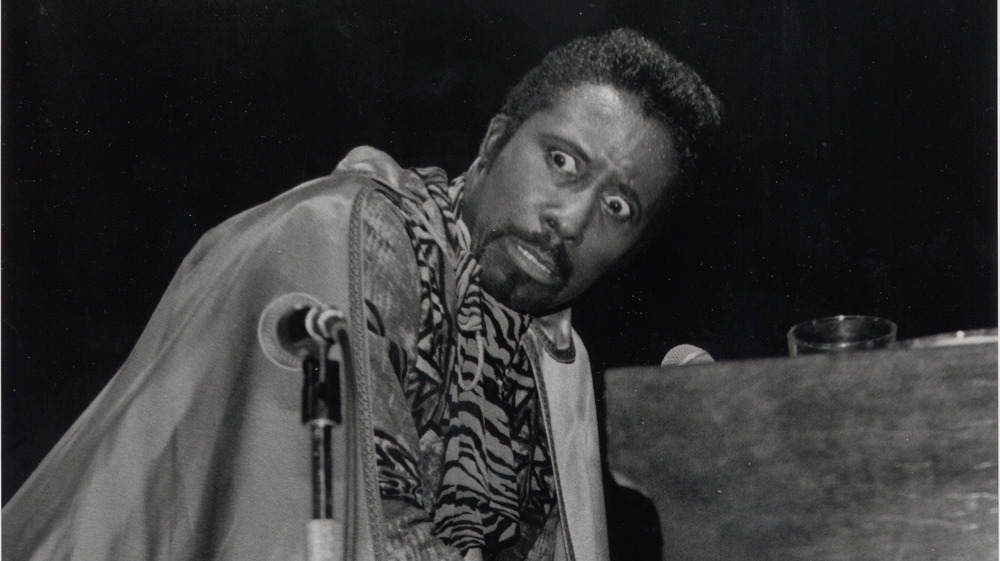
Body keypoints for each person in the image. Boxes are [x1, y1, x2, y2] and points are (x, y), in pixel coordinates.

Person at [2, 28, 721, 561]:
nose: (571, 218)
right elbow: (361, 525)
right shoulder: (351, 230)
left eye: (618, 207)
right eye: (562, 161)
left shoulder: (544, 358)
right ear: (496, 141)